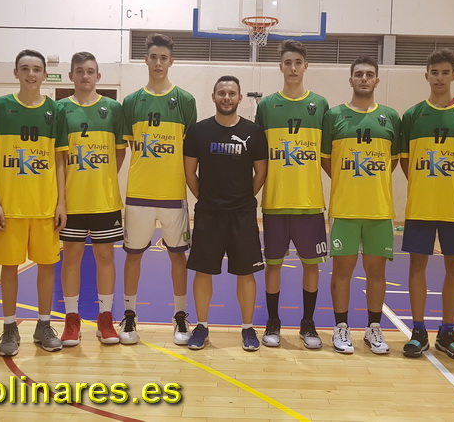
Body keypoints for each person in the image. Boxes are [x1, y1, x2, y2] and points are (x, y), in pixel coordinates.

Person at [0, 49, 68, 356]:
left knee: (47, 267)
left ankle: (44, 325)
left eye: (36, 69)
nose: (31, 74)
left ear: (45, 74)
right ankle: (9, 328)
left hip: (45, 206)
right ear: (16, 73)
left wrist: (61, 203)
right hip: (10, 207)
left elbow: (60, 160)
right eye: (25, 68)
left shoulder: (56, 110)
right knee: (9, 267)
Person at [399, 49, 454, 360]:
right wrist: (426, 183)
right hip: (421, 205)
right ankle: (418, 330)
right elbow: (406, 162)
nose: (440, 78)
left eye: (445, 72)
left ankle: (447, 332)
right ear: (426, 75)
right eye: (435, 72)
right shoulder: (413, 115)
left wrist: (451, 183)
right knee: (417, 266)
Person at [320, 56, 401, 355]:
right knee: (342, 271)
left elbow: (392, 161)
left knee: (376, 272)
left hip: (379, 209)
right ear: (350, 79)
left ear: (377, 80)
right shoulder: (334, 115)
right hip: (345, 209)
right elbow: (326, 160)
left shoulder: (390, 117)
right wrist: (348, 180)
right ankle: (341, 327)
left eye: (369, 74)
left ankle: (373, 328)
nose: (364, 78)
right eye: (358, 74)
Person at [121, 33, 197, 345]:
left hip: (173, 194)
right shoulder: (131, 102)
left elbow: (189, 151)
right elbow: (131, 147)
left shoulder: (186, 101)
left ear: (171, 61)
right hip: (139, 194)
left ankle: (180, 315)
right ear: (146, 60)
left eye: (163, 58)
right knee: (133, 257)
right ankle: (129, 315)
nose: (158, 63)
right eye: (153, 57)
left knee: (178, 257)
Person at [183, 76, 268, 351]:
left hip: (242, 214)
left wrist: (242, 197)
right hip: (208, 213)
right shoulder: (198, 131)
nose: (227, 97)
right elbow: (189, 172)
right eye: (222, 93)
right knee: (203, 271)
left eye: (232, 93)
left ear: (240, 98)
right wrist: (206, 197)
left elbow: (261, 172)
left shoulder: (254, 132)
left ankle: (247, 328)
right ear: (213, 97)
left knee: (246, 273)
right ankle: (202, 326)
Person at [255, 40, 330, 350]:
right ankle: (273, 321)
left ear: (306, 66)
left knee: (311, 265)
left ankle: (307, 323)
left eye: (298, 62)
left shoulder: (321, 105)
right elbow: (258, 157)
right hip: (275, 201)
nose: (293, 68)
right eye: (288, 62)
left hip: (309, 203)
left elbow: (327, 155)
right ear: (281, 67)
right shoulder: (266, 106)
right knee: (273, 265)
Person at [57, 52, 126, 347]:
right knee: (71, 258)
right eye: (79, 71)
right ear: (71, 76)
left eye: (90, 71)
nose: (85, 76)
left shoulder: (113, 109)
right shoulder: (59, 109)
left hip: (104, 200)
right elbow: (58, 158)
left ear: (98, 76)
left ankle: (105, 318)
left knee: (106, 258)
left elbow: (120, 152)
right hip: (71, 201)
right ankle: (71, 319)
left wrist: (104, 178)